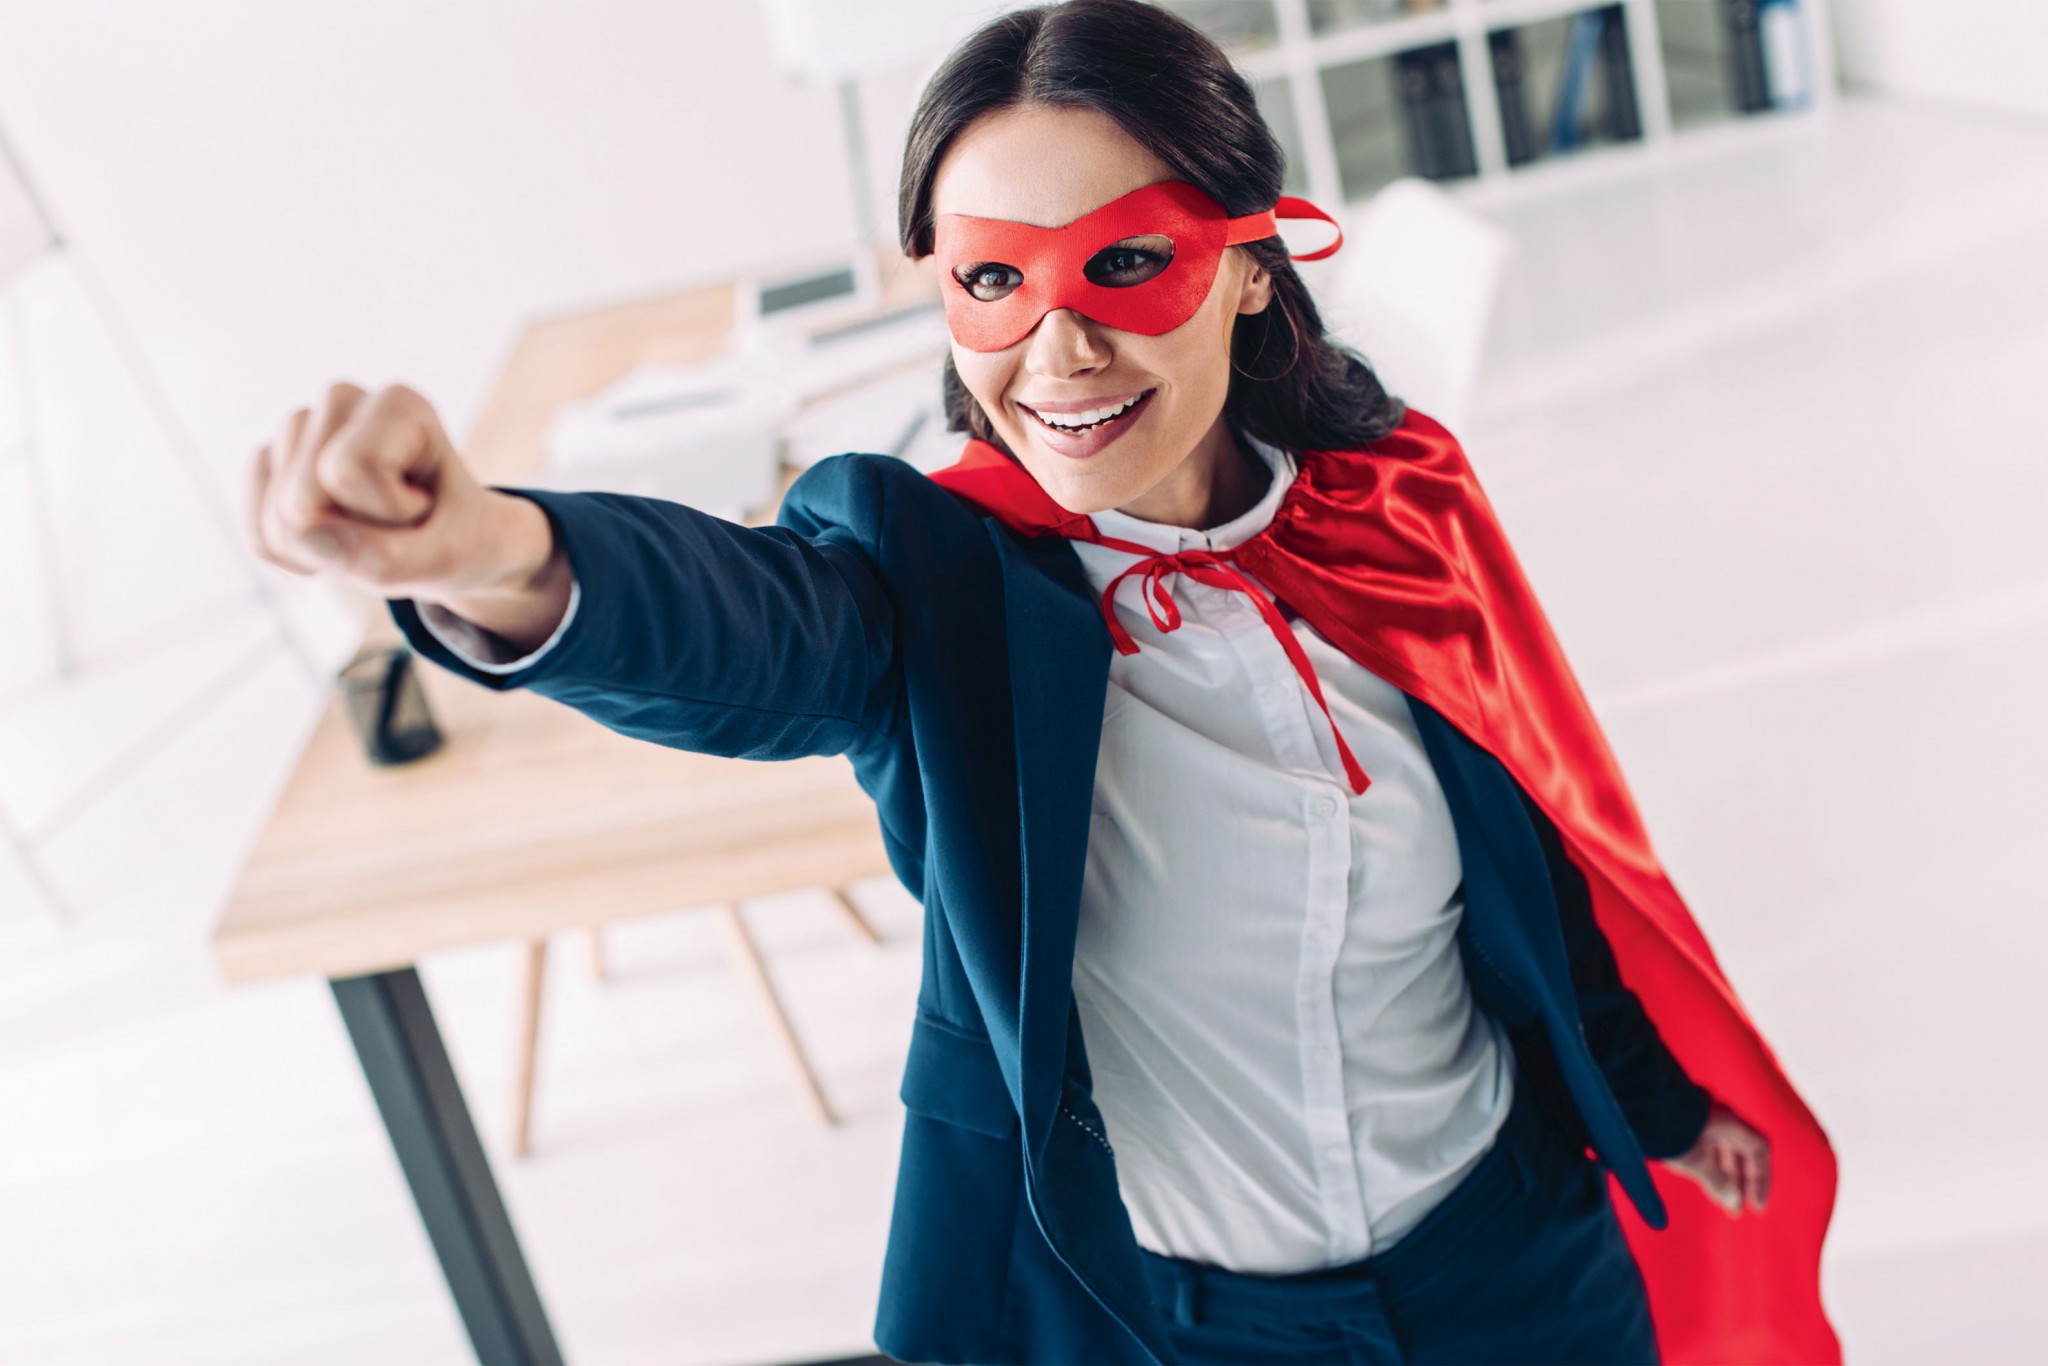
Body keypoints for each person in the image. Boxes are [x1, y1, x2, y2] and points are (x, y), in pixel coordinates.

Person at [244, 2, 1838, 1361]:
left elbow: (1538, 849)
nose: (1057, 349)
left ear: (1252, 265)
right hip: (1189, 1317)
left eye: (1125, 262)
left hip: (1519, 1250)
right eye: (996, 280)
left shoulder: (1393, 511)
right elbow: (749, 627)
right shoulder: (938, 587)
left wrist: (1654, 1093)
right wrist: (492, 551)